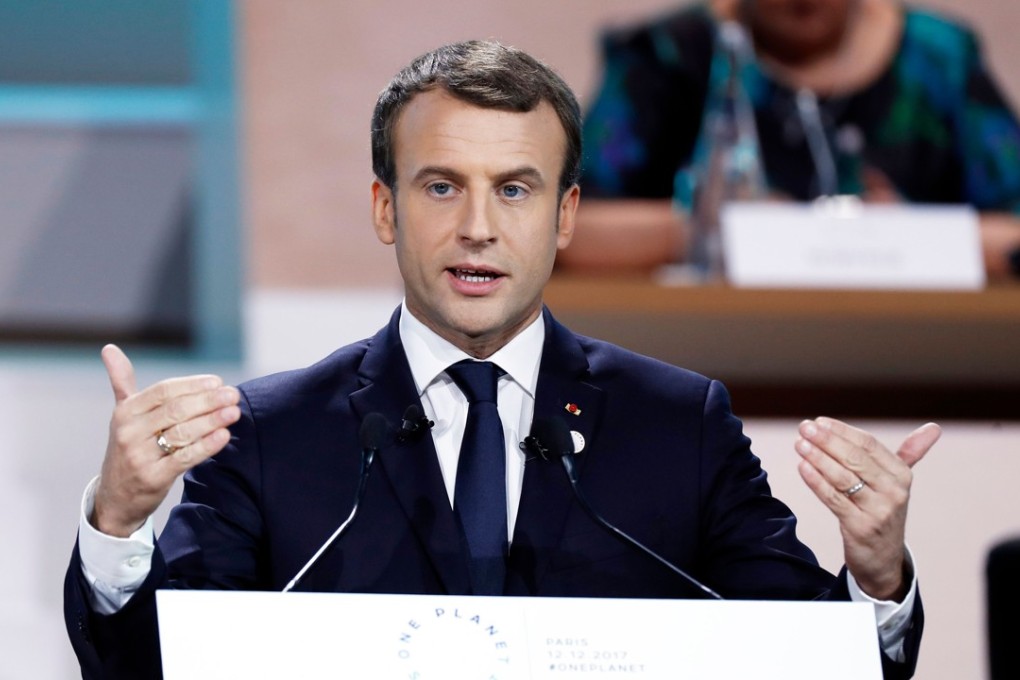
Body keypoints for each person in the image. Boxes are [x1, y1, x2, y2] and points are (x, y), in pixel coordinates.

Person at [64, 40, 939, 679]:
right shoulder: (270, 433)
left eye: (514, 190)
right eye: (441, 186)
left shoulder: (679, 425)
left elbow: (806, 656)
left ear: (563, 218)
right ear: (385, 208)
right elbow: (154, 664)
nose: (477, 227)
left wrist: (876, 576)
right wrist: (118, 524)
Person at [563, 0, 1020, 279]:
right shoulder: (670, 51)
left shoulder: (939, 56)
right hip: (712, 351)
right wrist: (715, 230)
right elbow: (563, 229)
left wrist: (903, 237)